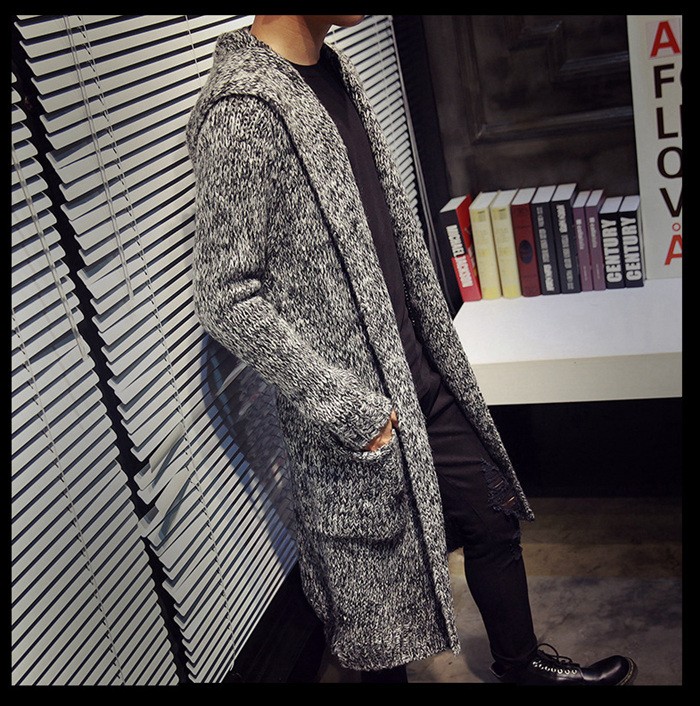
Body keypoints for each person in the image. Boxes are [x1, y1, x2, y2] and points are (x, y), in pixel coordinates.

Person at [186, 15, 637, 685]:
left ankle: (521, 667)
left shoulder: (335, 71)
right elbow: (226, 297)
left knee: (491, 513)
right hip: (360, 413)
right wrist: (344, 405)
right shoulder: (240, 109)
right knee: (383, 611)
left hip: (421, 370)